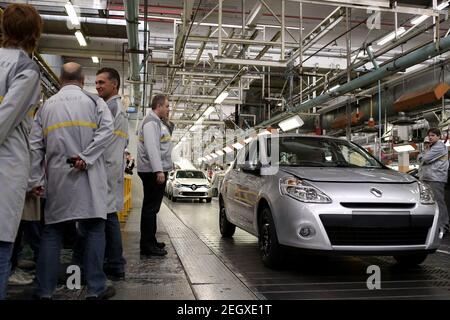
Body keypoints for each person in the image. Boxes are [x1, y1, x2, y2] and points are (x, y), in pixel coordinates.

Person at [29, 62, 115, 299]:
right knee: (95, 229)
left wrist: (35, 179)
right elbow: (107, 131)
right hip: (88, 178)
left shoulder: (45, 108)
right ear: (83, 79)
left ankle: (45, 291)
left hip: (58, 180)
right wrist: (86, 157)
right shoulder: (95, 102)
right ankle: (95, 289)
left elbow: (35, 145)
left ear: (59, 79)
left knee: (52, 232)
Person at [0, 3, 43, 300]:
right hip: (6, 165)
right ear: (34, 33)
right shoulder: (26, 69)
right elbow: (6, 119)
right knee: (2, 248)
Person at [95, 67, 128, 280]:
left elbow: (99, 136)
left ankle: (115, 264)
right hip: (113, 164)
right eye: (96, 83)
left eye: (101, 83)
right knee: (109, 214)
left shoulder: (109, 107)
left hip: (105, 166)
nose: (97, 86)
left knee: (107, 215)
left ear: (114, 84)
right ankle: (114, 261)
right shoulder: (118, 107)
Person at [137, 94, 172, 256]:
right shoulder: (151, 122)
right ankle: (147, 245)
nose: (168, 109)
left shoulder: (157, 122)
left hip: (153, 170)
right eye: (166, 106)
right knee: (150, 209)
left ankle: (151, 240)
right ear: (158, 106)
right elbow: (152, 147)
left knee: (152, 208)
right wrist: (159, 170)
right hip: (152, 171)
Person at [418, 128, 450, 233]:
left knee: (438, 202)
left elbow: (425, 159)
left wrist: (423, 157)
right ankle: (434, 226)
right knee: (429, 203)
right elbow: (420, 158)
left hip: (436, 179)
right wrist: (423, 156)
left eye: (433, 135)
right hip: (428, 178)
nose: (430, 137)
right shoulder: (430, 148)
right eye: (429, 135)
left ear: (439, 136)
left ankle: (443, 226)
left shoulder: (439, 147)